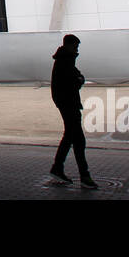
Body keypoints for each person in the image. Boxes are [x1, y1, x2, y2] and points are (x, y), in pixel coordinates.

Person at [50, 34, 97, 189]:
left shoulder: (63, 60)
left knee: (71, 137)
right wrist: (79, 80)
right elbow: (74, 81)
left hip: (66, 104)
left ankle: (58, 168)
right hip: (70, 104)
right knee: (78, 140)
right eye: (76, 46)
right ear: (69, 46)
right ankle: (84, 176)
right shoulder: (66, 61)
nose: (77, 50)